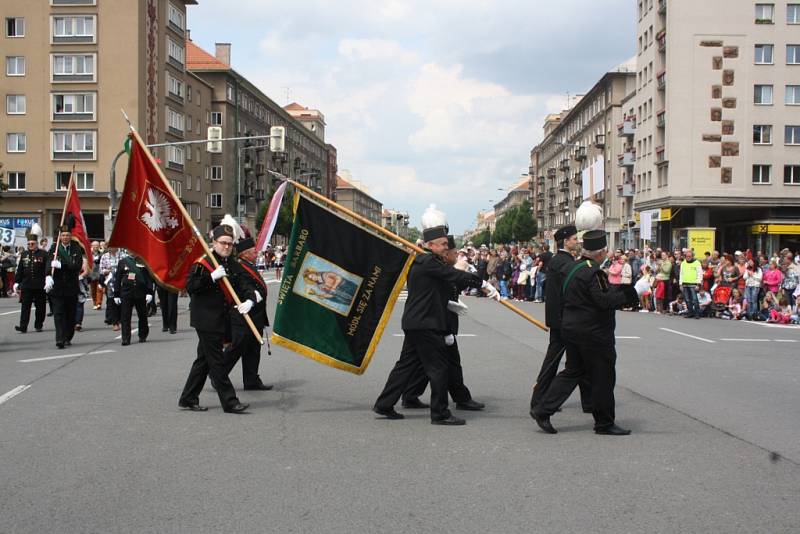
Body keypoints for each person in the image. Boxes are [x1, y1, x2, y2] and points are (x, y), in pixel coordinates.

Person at [373, 206, 499, 426]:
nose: (445, 247)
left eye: (445, 244)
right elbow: (452, 274)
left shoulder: (424, 262)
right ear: (430, 245)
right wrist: (482, 282)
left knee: (405, 366)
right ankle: (440, 413)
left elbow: (441, 285)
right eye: (441, 244)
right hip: (426, 324)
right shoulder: (428, 261)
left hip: (416, 322)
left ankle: (384, 404)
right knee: (439, 368)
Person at [531, 230, 640, 435]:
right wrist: (629, 294)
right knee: (603, 376)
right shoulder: (594, 272)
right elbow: (603, 300)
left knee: (573, 371)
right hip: (593, 333)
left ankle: (542, 409)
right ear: (600, 253)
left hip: (572, 329)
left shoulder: (572, 267)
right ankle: (604, 423)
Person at [399, 236, 485, 411]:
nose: (456, 255)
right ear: (445, 255)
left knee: (426, 363)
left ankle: (411, 395)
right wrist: (478, 281)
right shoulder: (437, 270)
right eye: (453, 252)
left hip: (436, 322)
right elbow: (440, 295)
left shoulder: (443, 268)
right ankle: (448, 405)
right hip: (436, 323)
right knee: (441, 365)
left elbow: (452, 290)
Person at [178, 224, 256, 413]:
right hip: (205, 318)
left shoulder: (232, 263)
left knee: (203, 360)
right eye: (223, 243)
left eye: (230, 244)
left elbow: (245, 283)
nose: (227, 247)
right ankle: (230, 402)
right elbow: (191, 286)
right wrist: (211, 277)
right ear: (214, 243)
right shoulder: (203, 263)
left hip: (221, 318)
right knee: (217, 361)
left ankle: (188, 398)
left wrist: (250, 300)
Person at [529, 224, 592, 416]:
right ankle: (539, 400)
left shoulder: (563, 260)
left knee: (579, 362)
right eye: (574, 239)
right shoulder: (562, 261)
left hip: (563, 319)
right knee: (553, 362)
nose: (577, 241)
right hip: (562, 320)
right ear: (565, 241)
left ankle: (588, 402)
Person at [225, 231, 272, 391]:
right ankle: (218, 374)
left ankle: (251, 380)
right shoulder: (240, 267)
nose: (256, 253)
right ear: (245, 254)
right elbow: (245, 286)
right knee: (237, 347)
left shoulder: (249, 265)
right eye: (253, 251)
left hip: (256, 314)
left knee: (253, 349)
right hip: (244, 314)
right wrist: (252, 297)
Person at [47, 220, 84, 349]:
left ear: (70, 236)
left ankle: (68, 336)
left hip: (71, 287)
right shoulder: (54, 247)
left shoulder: (76, 247)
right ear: (60, 236)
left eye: (67, 235)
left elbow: (77, 266)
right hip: (57, 287)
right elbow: (48, 263)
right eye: (63, 235)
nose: (65, 237)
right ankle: (60, 339)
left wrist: (62, 265)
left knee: (70, 314)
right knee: (58, 313)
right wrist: (47, 276)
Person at [113, 253, 155, 346]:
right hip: (126, 293)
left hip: (140, 292)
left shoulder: (142, 261)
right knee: (125, 317)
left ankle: (143, 335)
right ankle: (125, 338)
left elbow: (148, 278)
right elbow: (118, 278)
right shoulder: (123, 262)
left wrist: (149, 292)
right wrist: (116, 294)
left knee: (142, 315)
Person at [14, 225, 49, 333]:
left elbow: (47, 268)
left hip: (39, 285)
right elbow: (20, 269)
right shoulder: (24, 254)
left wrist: (48, 278)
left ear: (36, 243)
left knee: (40, 306)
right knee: (25, 307)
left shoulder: (43, 254)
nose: (30, 245)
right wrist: (16, 282)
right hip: (27, 285)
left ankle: (38, 324)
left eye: (32, 243)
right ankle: (23, 326)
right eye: (28, 244)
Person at [100, 247, 121, 331]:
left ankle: (121, 319)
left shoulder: (122, 255)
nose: (111, 248)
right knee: (111, 301)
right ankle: (115, 322)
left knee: (122, 302)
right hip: (110, 282)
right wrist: (110, 270)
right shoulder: (104, 256)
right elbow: (101, 270)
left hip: (122, 282)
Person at [679, 249, 703, 319]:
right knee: (687, 299)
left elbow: (700, 274)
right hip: (685, 283)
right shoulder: (683, 263)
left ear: (692, 256)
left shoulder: (697, 263)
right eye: (687, 256)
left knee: (695, 300)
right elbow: (681, 274)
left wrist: (698, 284)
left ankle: (697, 313)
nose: (688, 257)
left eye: (689, 256)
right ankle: (690, 312)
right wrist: (680, 284)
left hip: (693, 284)